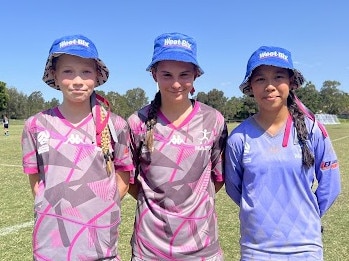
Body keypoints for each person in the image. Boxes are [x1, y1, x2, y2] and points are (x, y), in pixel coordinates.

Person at [21, 34, 134, 261]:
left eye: (86, 72)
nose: (78, 80)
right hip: (51, 246)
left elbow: (124, 174)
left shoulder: (116, 125)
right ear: (54, 74)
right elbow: (36, 179)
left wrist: (99, 204)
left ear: (97, 75)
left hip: (100, 245)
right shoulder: (35, 125)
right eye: (68, 71)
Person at [225, 46, 341, 260]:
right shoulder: (238, 138)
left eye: (278, 77)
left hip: (305, 249)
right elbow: (235, 189)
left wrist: (306, 216)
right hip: (256, 250)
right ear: (250, 86)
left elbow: (331, 185)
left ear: (291, 82)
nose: (269, 86)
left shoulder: (313, 130)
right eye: (260, 79)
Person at [127, 32, 228, 260]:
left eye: (184, 75)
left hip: (202, 246)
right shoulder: (136, 122)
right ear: (154, 74)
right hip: (149, 248)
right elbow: (131, 182)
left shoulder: (214, 120)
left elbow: (218, 178)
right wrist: (160, 203)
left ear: (195, 76)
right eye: (166, 75)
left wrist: (190, 201)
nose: (175, 83)